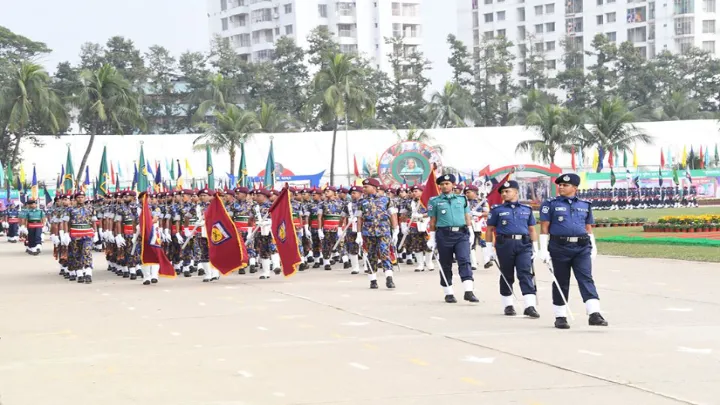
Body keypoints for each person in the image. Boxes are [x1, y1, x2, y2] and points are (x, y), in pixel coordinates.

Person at [538, 173, 608, 330]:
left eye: (565, 185)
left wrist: (593, 245)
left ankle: (594, 313)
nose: (561, 187)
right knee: (561, 281)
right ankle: (560, 316)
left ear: (575, 188)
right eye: (560, 185)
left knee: (586, 278)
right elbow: (544, 228)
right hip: (559, 247)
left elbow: (588, 228)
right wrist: (543, 249)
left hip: (582, 247)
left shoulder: (585, 205)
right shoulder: (550, 204)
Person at [485, 181, 540, 318]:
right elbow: (490, 230)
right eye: (502, 192)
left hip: (524, 244)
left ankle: (529, 305)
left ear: (516, 192)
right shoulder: (497, 210)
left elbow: (532, 229)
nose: (504, 194)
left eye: (507, 191)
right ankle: (508, 305)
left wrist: (536, 247)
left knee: (525, 273)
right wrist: (489, 249)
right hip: (505, 244)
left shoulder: (526, 209)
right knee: (507, 274)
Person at [427, 174, 478, 304]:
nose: (445, 186)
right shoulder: (434, 201)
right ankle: (448, 292)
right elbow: (433, 221)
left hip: (461, 234)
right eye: (442, 184)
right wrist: (431, 238)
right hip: (444, 234)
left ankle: (469, 291)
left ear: (453, 185)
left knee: (464, 260)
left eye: (447, 183)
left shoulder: (462, 199)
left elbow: (467, 216)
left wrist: (471, 231)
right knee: (445, 263)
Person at [355, 178, 399, 289]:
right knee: (371, 255)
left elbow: (393, 215)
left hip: (383, 230)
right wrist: (359, 234)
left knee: (385, 253)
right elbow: (359, 218)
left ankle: (389, 278)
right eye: (363, 187)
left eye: (366, 187)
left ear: (374, 187)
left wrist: (396, 230)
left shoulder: (386, 200)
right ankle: (373, 280)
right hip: (368, 232)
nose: (363, 189)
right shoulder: (361, 202)